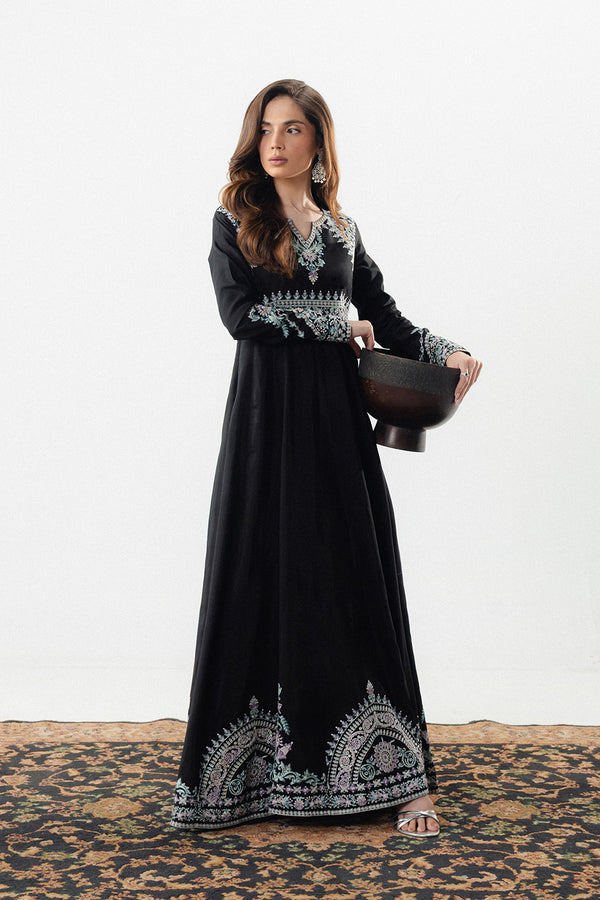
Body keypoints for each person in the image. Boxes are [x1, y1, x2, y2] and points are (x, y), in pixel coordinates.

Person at [170, 78, 482, 838]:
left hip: (336, 427)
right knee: (260, 571)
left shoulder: (342, 228)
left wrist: (448, 350)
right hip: (264, 425)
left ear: (317, 142)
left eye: (292, 129)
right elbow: (240, 316)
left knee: (353, 575)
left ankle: (400, 778)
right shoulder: (234, 218)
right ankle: (246, 784)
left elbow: (384, 315)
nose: (275, 143)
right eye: (265, 128)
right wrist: (334, 324)